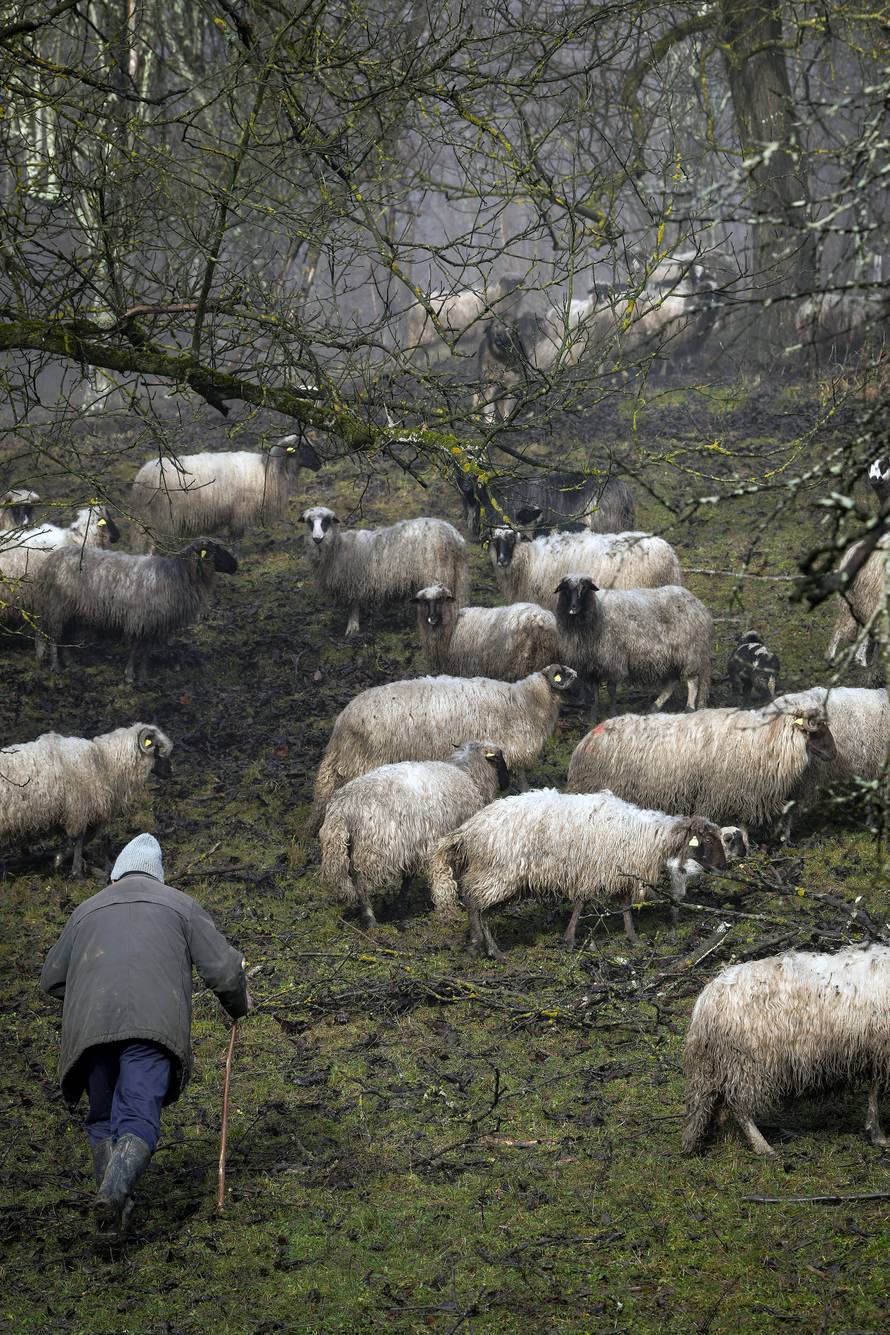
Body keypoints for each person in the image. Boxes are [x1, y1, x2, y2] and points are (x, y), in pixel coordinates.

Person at [39, 832, 252, 1242]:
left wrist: (90, 991)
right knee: (138, 1114)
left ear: (116, 877)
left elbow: (51, 979)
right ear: (158, 877)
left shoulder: (85, 911)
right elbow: (225, 972)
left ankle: (113, 1218)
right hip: (151, 1029)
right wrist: (239, 1006)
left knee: (102, 1118)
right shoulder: (180, 905)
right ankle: (112, 1195)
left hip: (89, 1031)